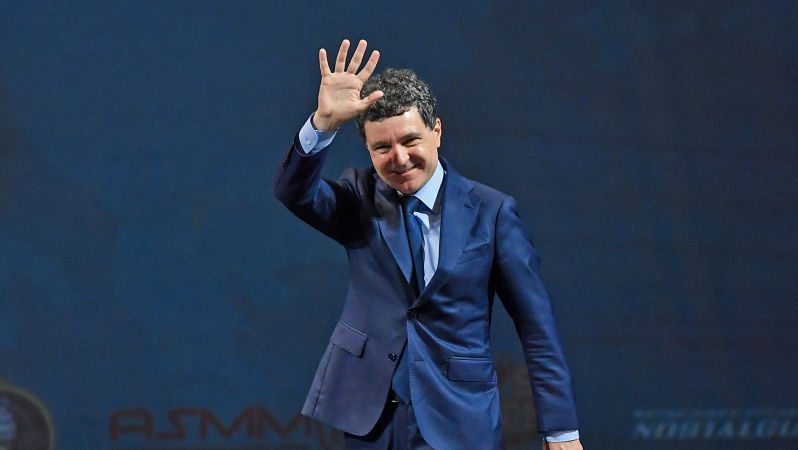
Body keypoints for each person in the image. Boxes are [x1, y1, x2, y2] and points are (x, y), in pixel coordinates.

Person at [274, 39, 583, 450]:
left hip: (459, 420)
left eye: (410, 141)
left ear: (436, 131)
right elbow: (293, 192)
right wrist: (322, 124)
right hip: (372, 421)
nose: (399, 158)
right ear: (367, 149)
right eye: (382, 147)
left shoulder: (492, 212)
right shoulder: (358, 196)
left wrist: (561, 430)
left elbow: (536, 326)